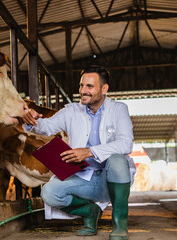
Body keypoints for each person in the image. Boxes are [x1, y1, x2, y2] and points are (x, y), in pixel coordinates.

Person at [22, 66, 134, 240]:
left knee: (118, 161)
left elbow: (126, 143)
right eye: (82, 86)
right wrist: (33, 120)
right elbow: (48, 127)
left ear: (104, 89)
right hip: (84, 178)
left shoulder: (119, 109)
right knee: (49, 193)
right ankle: (90, 212)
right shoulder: (71, 111)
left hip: (111, 179)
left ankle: (119, 225)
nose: (83, 91)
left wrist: (89, 152)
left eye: (89, 86)